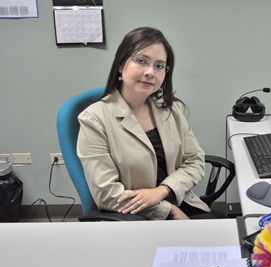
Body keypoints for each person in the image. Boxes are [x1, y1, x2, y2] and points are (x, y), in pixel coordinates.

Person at [77, 27, 211, 220]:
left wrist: (163, 190)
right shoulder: (94, 120)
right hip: (135, 216)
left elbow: (195, 160)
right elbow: (106, 194)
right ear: (121, 65)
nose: (150, 72)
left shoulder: (170, 109)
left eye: (159, 66)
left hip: (179, 199)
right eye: (141, 61)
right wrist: (168, 211)